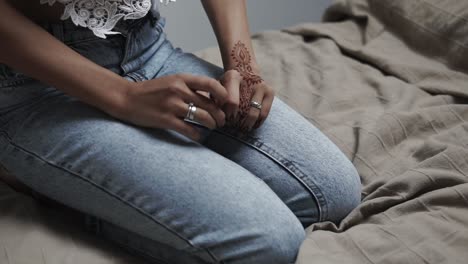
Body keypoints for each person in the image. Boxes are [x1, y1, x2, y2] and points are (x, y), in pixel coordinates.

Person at [0, 0, 362, 263]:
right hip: (35, 87)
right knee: (270, 245)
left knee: (332, 192)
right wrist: (124, 97)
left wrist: (243, 65)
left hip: (146, 45)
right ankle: (52, 187)